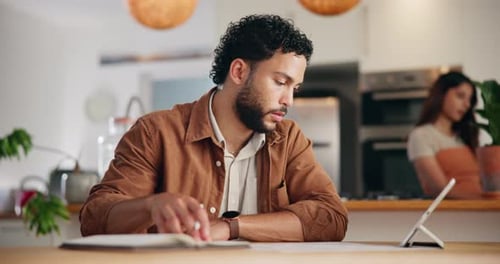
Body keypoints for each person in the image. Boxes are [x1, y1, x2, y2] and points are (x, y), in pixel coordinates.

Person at [80, 14, 348, 242]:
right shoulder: (155, 131)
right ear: (239, 72)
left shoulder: (289, 139)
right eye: (280, 82)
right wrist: (150, 205)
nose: (289, 100)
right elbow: (95, 219)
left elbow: (331, 217)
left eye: (295, 88)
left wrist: (232, 226)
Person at [407, 71, 482, 199]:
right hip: (452, 214)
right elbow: (439, 190)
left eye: (469, 100)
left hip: (481, 212)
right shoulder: (421, 136)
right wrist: (483, 200)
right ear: (441, 95)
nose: (467, 105)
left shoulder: (465, 137)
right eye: (460, 96)